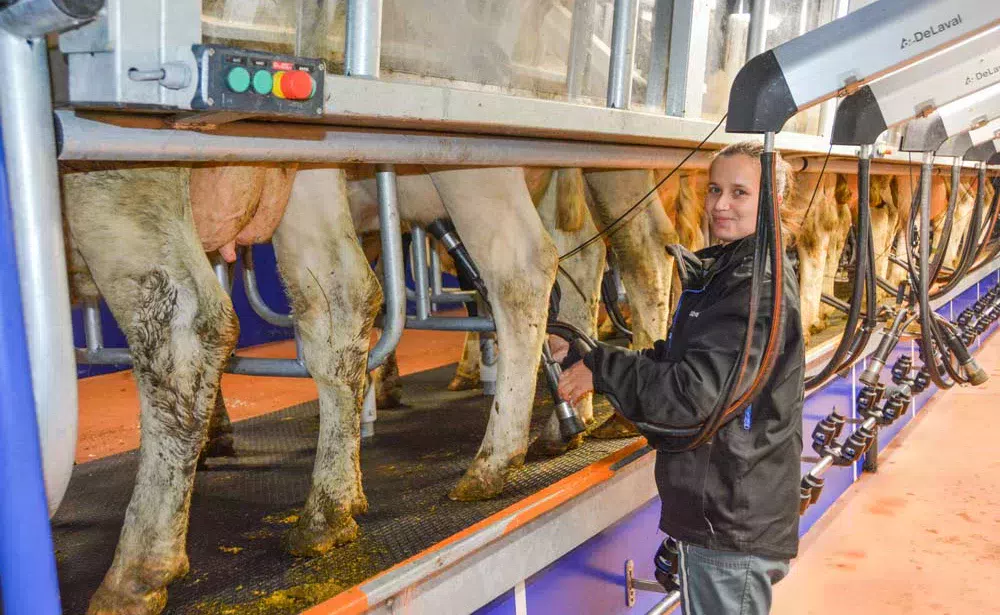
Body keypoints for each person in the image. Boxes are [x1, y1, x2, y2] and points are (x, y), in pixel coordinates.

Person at [551, 141, 805, 615]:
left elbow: (691, 396)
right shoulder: (736, 270)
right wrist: (594, 358)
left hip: (730, 516)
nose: (720, 205)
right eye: (714, 189)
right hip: (729, 505)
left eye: (740, 193)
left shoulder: (752, 288)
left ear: (772, 202)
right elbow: (683, 363)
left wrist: (605, 369)